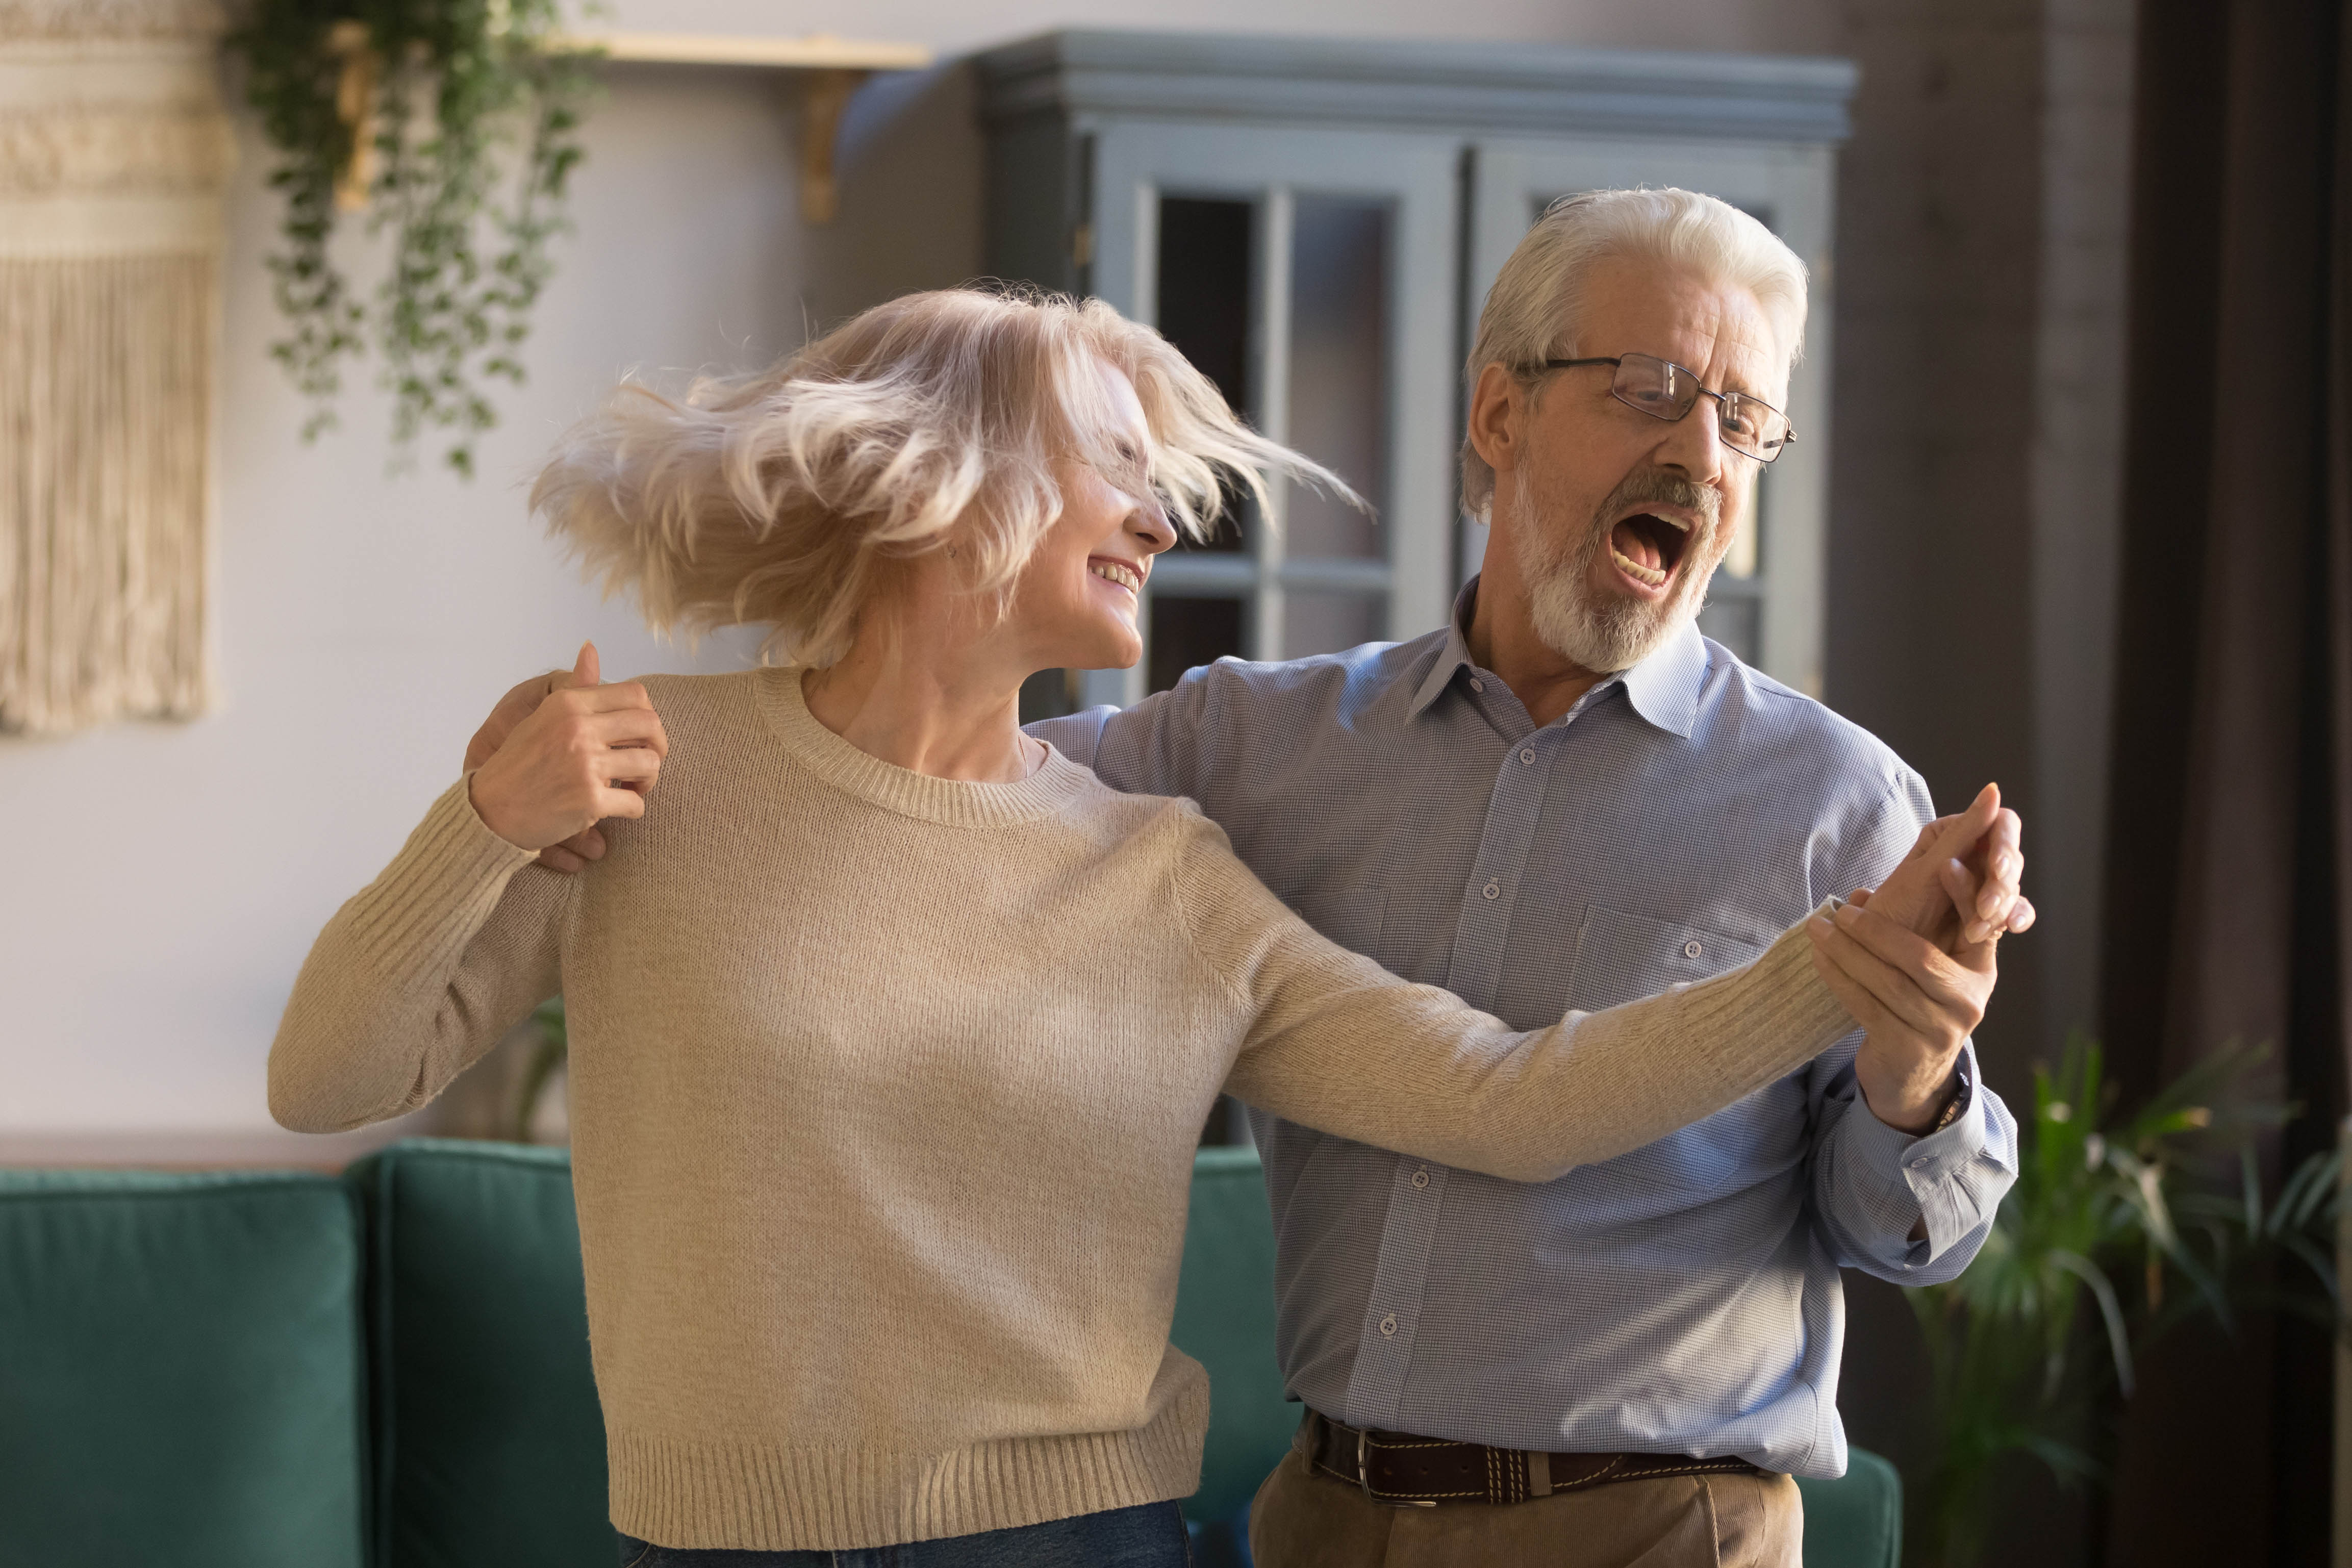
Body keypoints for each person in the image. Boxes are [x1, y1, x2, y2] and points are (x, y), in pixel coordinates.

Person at [282, 285, 2024, 1568]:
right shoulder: (646, 768)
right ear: (945, 472)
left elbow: (1511, 1099)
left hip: (1078, 1540)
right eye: (1115, 461)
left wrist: (1830, 967)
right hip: (697, 1537)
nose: (1165, 512)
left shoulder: (1160, 868)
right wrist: (481, 828)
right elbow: (324, 1077)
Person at [1030, 190, 2035, 1567]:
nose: (1700, 453)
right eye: (1652, 391)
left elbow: (1912, 1239)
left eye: (1743, 422)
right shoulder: (1257, 742)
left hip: (1659, 1532)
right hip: (1325, 1514)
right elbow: (942, 796)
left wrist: (1914, 1077)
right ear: (1497, 414)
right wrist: (651, 763)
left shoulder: (1835, 800)